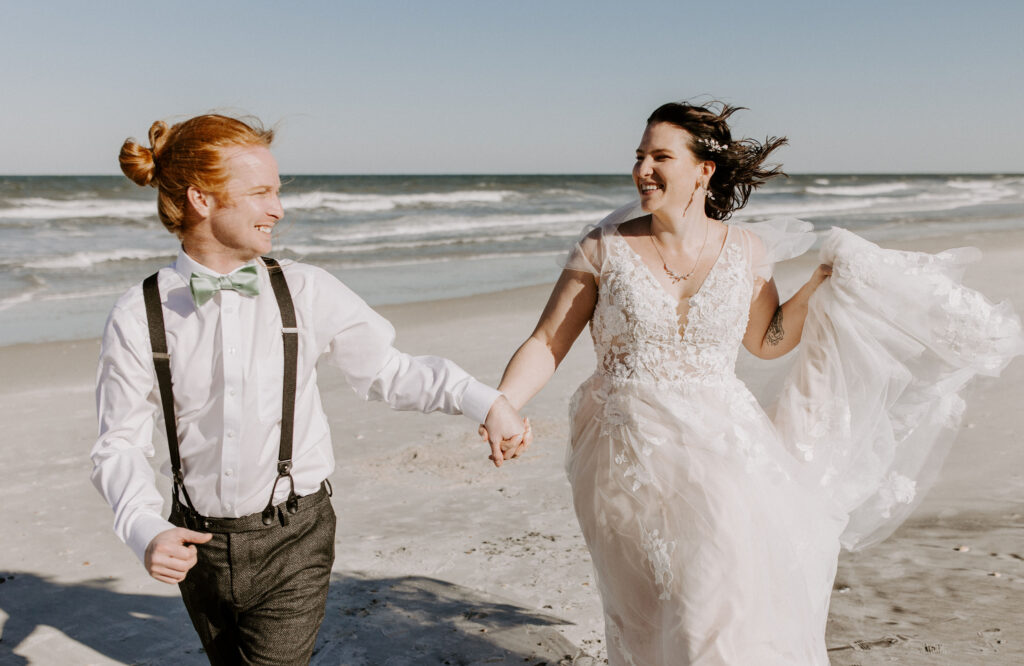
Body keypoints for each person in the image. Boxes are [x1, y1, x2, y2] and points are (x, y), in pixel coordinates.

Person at [487, 101, 1023, 664]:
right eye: (640, 156)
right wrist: (503, 404)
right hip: (625, 452)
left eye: (660, 156)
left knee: (719, 598)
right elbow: (547, 342)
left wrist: (820, 283)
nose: (643, 169)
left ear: (703, 170)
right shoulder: (603, 248)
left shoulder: (745, 250)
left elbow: (766, 340)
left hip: (725, 443)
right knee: (648, 612)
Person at [91, 113, 527, 665]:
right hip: (194, 542)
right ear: (202, 200)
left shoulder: (306, 289)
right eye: (261, 193)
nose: (278, 208)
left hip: (294, 535)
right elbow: (120, 441)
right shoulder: (138, 313)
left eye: (277, 191)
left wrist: (485, 400)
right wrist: (142, 527)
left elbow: (389, 371)